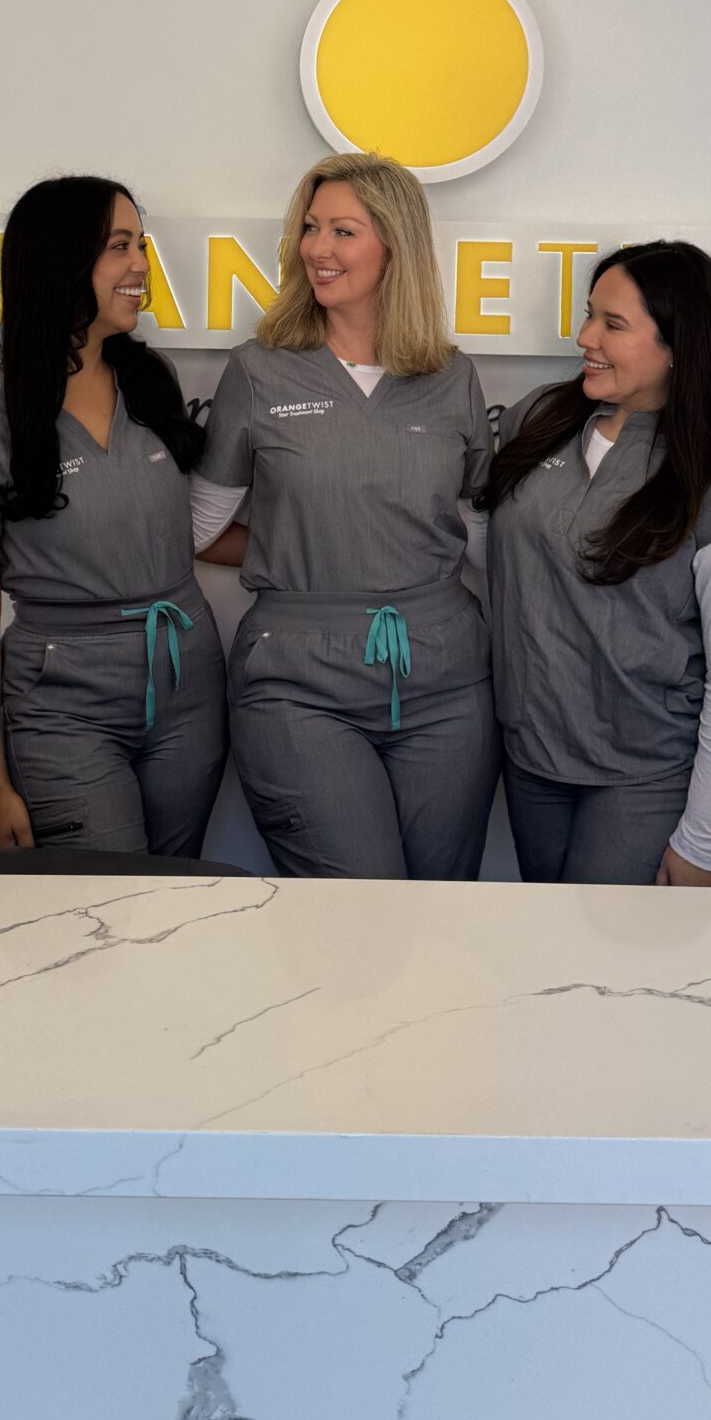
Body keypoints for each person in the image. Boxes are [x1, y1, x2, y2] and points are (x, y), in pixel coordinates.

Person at [192, 151, 498, 880]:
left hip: (446, 683)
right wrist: (309, 547)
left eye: (343, 231)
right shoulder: (259, 370)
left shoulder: (452, 376)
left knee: (444, 905)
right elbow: (198, 530)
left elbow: (482, 538)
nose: (317, 249)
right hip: (298, 683)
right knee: (358, 905)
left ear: (396, 245)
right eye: (310, 228)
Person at [0, 177, 228, 857]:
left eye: (141, 245)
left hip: (188, 684)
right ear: (62, 261)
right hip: (62, 704)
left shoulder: (151, 381)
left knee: (181, 889)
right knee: (106, 899)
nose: (141, 266)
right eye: (120, 247)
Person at [484, 239, 711, 887]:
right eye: (589, 315)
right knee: (550, 942)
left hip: (647, 777)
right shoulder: (538, 420)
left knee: (608, 949)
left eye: (612, 324)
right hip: (532, 761)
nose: (585, 337)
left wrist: (703, 842)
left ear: (678, 346)